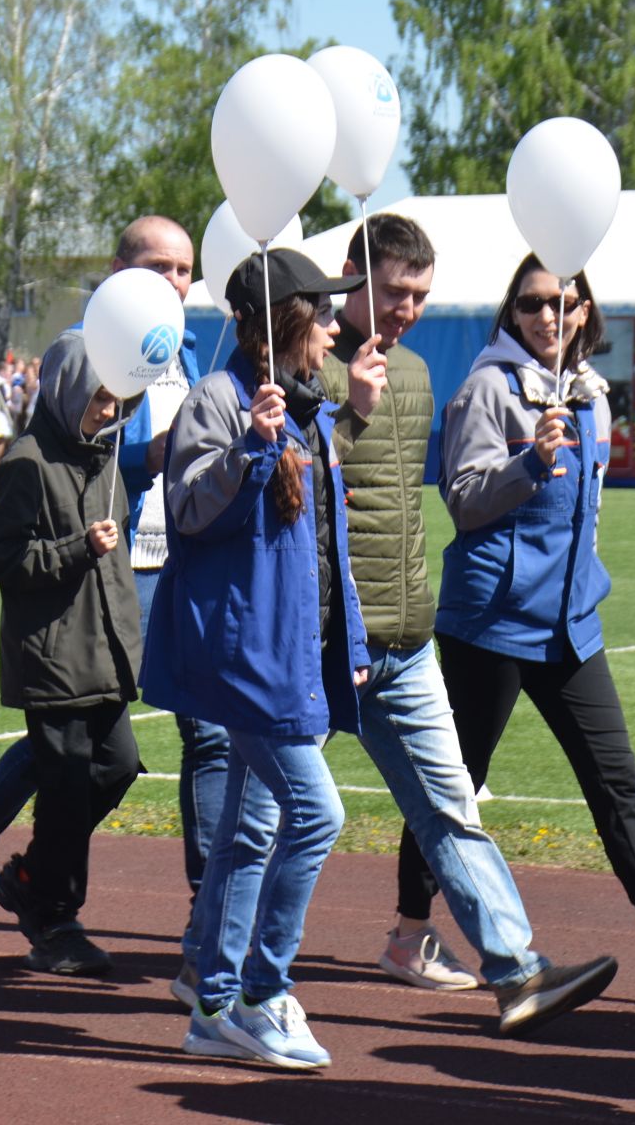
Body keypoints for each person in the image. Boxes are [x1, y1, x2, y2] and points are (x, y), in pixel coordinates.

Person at [416, 250, 635, 996]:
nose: (548, 317)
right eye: (532, 304)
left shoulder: (592, 396)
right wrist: (527, 464)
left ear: (586, 314)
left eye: (564, 304)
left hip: (569, 624)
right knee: (453, 784)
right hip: (491, 621)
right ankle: (409, 934)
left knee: (615, 780)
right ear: (512, 313)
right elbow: (465, 502)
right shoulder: (486, 389)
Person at [319, 214, 618, 1032]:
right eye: (391, 291)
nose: (406, 308)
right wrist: (344, 410)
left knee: (452, 805)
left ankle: (517, 972)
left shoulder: (415, 374)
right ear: (351, 276)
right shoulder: (301, 362)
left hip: (405, 638)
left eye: (420, 294)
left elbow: (409, 516)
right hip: (315, 640)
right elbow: (299, 498)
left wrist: (410, 615)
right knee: (280, 819)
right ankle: (217, 968)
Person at [0, 217, 202, 935]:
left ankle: (200, 902)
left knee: (173, 741)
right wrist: (150, 458)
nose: (173, 282)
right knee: (63, 745)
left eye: (184, 269)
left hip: (179, 571)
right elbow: (90, 457)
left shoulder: (189, 353)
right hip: (105, 570)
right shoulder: (93, 350)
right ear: (116, 272)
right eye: (157, 267)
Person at [143, 248, 369, 1070]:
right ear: (283, 323)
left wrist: (348, 646)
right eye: (325, 310)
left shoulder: (310, 407)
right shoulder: (220, 399)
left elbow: (324, 544)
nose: (340, 324)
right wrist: (250, 449)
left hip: (291, 653)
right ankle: (262, 992)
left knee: (253, 827)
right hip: (245, 658)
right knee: (318, 816)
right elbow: (189, 510)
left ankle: (212, 1007)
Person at [0, 332, 144, 975]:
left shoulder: (105, 454)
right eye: (99, 399)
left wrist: (130, 640)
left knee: (119, 767)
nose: (107, 411)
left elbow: (119, 561)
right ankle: (54, 920)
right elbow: (1, 557)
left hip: (103, 653)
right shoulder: (25, 461)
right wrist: (75, 547)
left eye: (115, 399)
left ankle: (28, 878)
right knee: (67, 789)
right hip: (53, 657)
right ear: (70, 388)